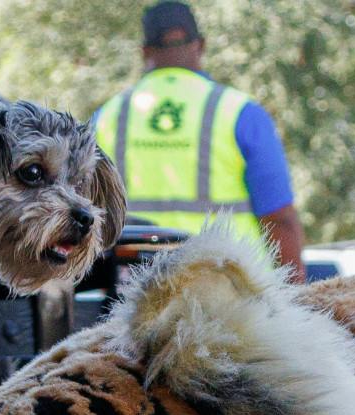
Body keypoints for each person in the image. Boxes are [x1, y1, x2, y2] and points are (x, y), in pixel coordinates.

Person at [93, 1, 306, 279]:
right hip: (230, 292)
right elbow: (280, 220)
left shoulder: (108, 116)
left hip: (131, 294)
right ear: (201, 45)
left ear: (145, 51)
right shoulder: (241, 113)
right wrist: (294, 298)